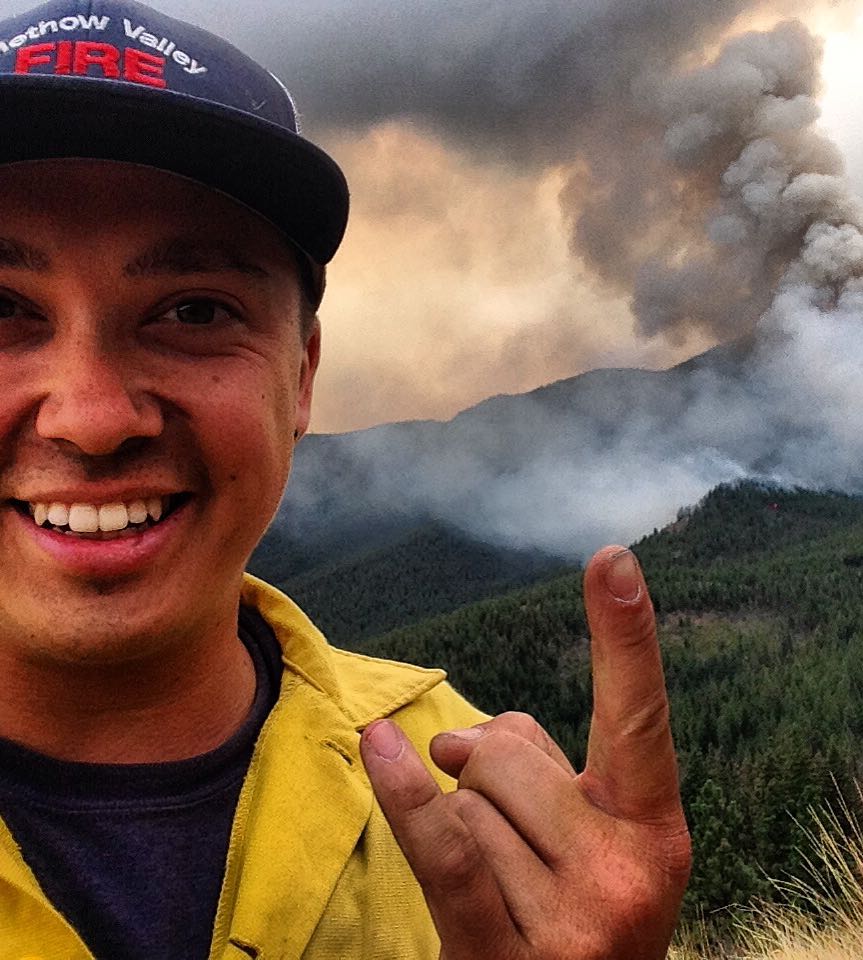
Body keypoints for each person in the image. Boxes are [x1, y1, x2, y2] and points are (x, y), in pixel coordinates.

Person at [0, 1, 691, 957]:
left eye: (194, 310)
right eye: (3, 308)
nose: (93, 416)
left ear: (303, 376)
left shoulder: (467, 803)